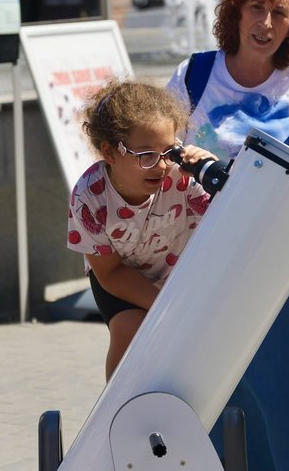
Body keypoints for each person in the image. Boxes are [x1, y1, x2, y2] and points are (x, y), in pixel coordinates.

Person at [165, 0, 289, 471]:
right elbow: (161, 162)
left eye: (279, 13)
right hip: (202, 263)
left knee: (285, 403)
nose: (265, 24)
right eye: (256, 9)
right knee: (209, 397)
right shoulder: (193, 75)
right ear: (234, 12)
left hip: (280, 270)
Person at [67, 79, 215, 380]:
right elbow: (110, 273)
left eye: (169, 151)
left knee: (191, 350)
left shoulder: (184, 178)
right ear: (110, 152)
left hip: (176, 272)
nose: (161, 166)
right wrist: (166, 308)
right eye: (146, 155)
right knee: (130, 329)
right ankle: (116, 414)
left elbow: (227, 222)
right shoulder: (89, 197)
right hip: (120, 276)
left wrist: (211, 174)